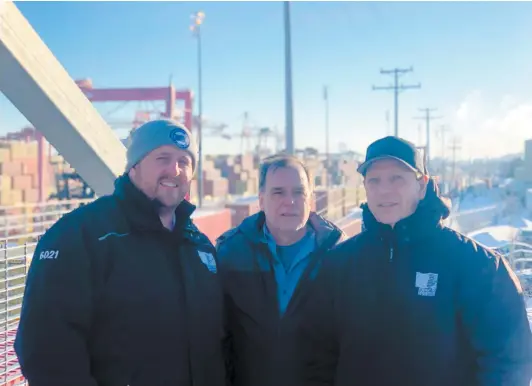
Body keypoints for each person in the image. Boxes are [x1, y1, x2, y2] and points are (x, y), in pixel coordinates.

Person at [298, 136, 532, 386]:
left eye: (397, 178)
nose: (384, 189)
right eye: (374, 180)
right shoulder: (339, 264)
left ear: (422, 185)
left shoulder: (477, 266)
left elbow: (508, 362)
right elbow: (317, 357)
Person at [15, 119, 229, 386]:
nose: (175, 170)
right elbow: (46, 352)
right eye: (162, 158)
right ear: (134, 167)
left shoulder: (199, 247)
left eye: (184, 162)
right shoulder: (80, 236)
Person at [216, 154, 345, 386]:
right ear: (261, 200)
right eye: (278, 192)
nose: (290, 201)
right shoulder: (230, 254)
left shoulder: (338, 256)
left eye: (298, 192)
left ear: (310, 199)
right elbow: (216, 339)